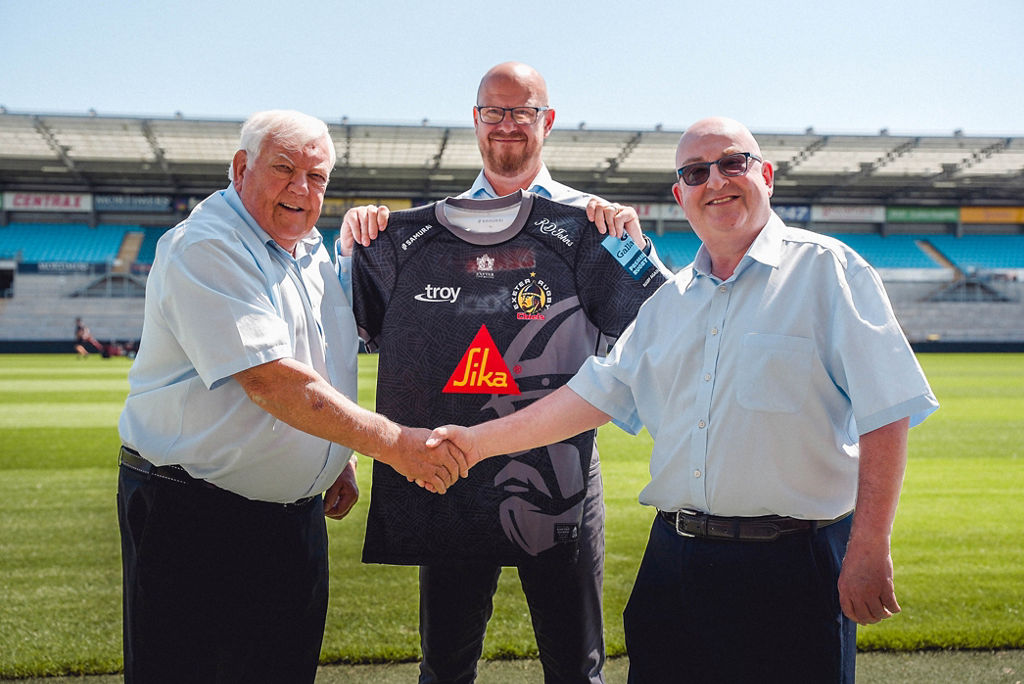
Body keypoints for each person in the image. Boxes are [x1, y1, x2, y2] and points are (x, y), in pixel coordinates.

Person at [427, 117, 939, 683]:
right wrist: (475, 443)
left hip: (795, 566)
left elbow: (888, 411)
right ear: (680, 196)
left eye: (732, 163)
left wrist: (869, 543)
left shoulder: (828, 270)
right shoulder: (669, 301)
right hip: (676, 566)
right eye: (696, 172)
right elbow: (590, 396)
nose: (715, 181)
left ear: (765, 174)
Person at [339, 62, 669, 684]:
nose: (507, 124)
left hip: (562, 468)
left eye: (522, 111)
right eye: (495, 111)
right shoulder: (415, 234)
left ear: (547, 120)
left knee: (576, 664)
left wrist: (634, 247)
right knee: (445, 662)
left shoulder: (594, 224)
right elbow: (349, 324)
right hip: (448, 467)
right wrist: (355, 243)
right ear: (476, 120)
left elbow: (665, 324)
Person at [116, 110, 467, 684]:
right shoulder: (206, 246)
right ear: (240, 168)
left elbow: (324, 358)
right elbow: (274, 381)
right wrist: (394, 445)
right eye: (284, 169)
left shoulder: (309, 249)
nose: (302, 190)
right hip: (195, 518)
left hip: (291, 521)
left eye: (318, 177)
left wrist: (337, 459)